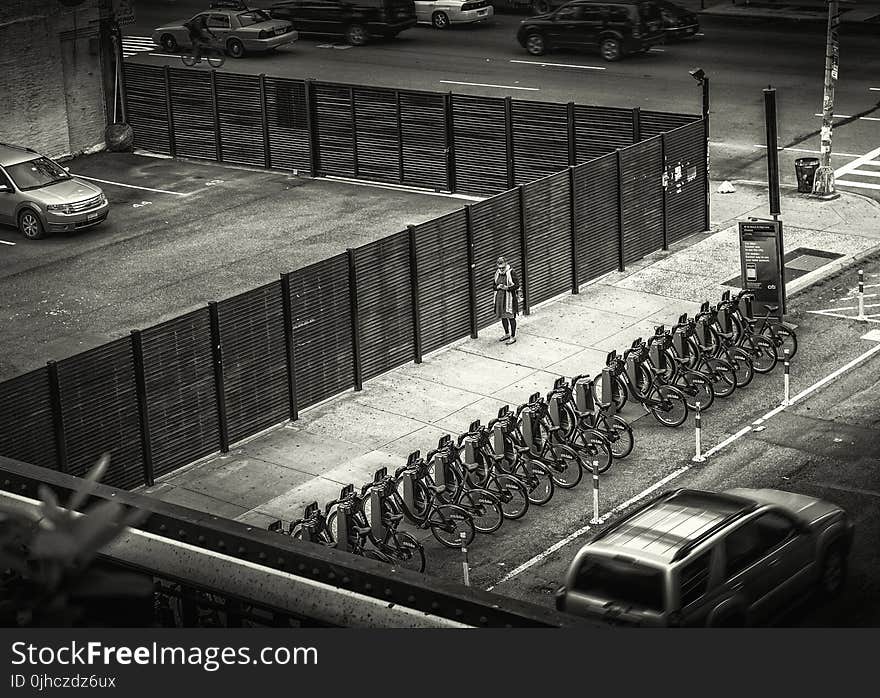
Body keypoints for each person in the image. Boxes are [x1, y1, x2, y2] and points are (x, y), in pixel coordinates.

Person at [493, 256, 520, 345]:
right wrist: (497, 287)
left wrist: (507, 288)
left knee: (511, 317)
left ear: (506, 264)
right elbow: (493, 286)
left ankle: (513, 336)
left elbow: (517, 285)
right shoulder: (497, 273)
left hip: (509, 299)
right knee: (503, 316)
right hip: (500, 299)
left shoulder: (511, 272)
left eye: (503, 267)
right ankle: (507, 334)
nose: (501, 269)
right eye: (499, 268)